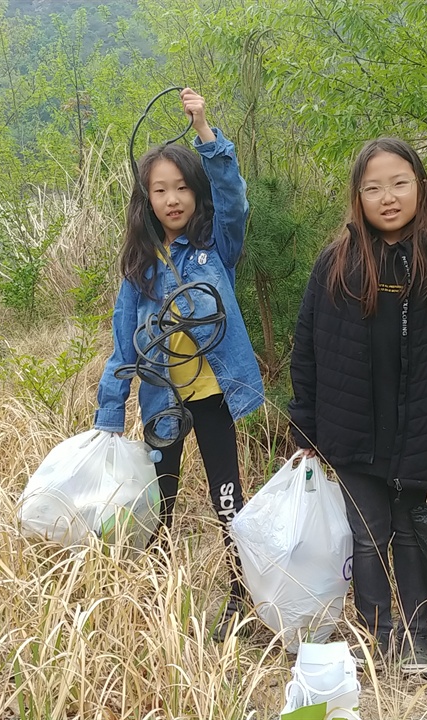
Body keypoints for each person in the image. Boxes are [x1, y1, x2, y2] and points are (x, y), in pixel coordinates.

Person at [288, 137, 427, 675]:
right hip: (352, 429)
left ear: (420, 188)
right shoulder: (337, 265)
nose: (388, 197)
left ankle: (419, 637)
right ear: (358, 197)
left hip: (419, 428)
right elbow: (306, 347)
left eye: (399, 183)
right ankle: (381, 639)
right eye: (373, 187)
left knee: (411, 533)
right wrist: (304, 428)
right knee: (369, 534)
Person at [94, 88, 264, 642]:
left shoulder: (215, 247)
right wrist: (108, 416)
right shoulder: (139, 267)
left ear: (196, 193)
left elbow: (234, 199)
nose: (172, 199)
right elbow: (124, 345)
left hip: (213, 394)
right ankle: (158, 594)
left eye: (182, 187)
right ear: (145, 199)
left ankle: (240, 593)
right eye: (159, 190)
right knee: (159, 499)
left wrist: (205, 130)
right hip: (160, 400)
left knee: (226, 496)